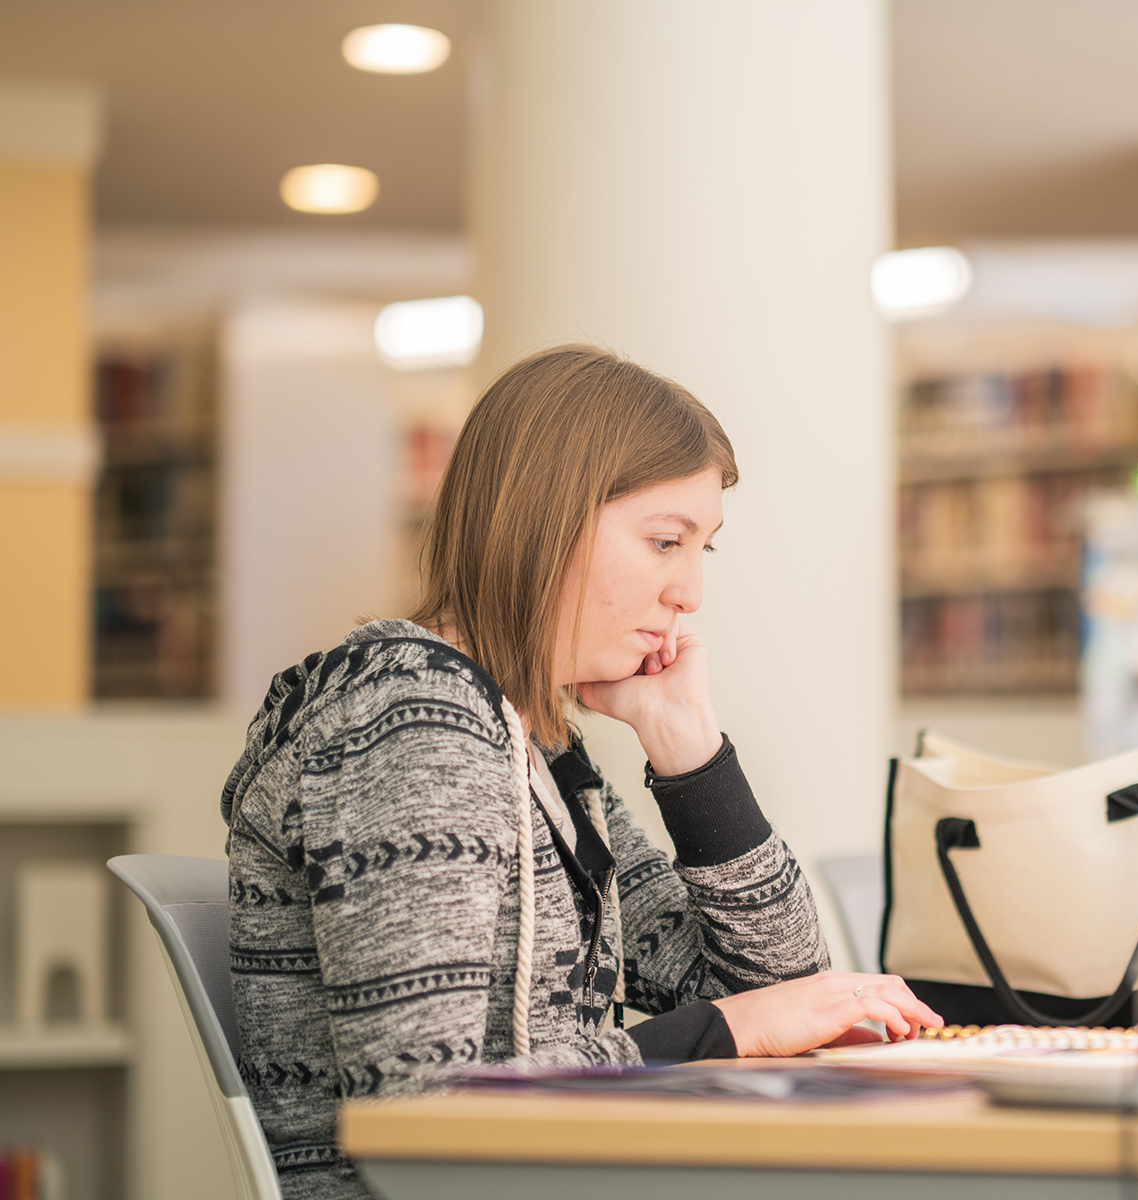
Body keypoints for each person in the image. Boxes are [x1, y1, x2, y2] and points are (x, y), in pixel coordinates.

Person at [221, 345, 940, 1200]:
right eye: (666, 541)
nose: (691, 592)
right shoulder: (414, 721)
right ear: (543, 519)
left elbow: (785, 989)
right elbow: (424, 1107)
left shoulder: (537, 740)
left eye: (702, 548)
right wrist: (720, 1033)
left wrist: (690, 750)